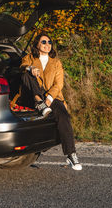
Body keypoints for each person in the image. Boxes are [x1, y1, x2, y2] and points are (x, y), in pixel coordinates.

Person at [19, 33, 82, 171]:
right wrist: (30, 68)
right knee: (25, 74)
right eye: (43, 42)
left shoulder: (56, 62)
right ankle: (38, 102)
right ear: (37, 44)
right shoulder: (30, 58)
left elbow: (58, 84)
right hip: (32, 96)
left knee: (64, 116)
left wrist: (49, 99)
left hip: (52, 97)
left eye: (49, 42)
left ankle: (71, 154)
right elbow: (22, 65)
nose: (47, 44)